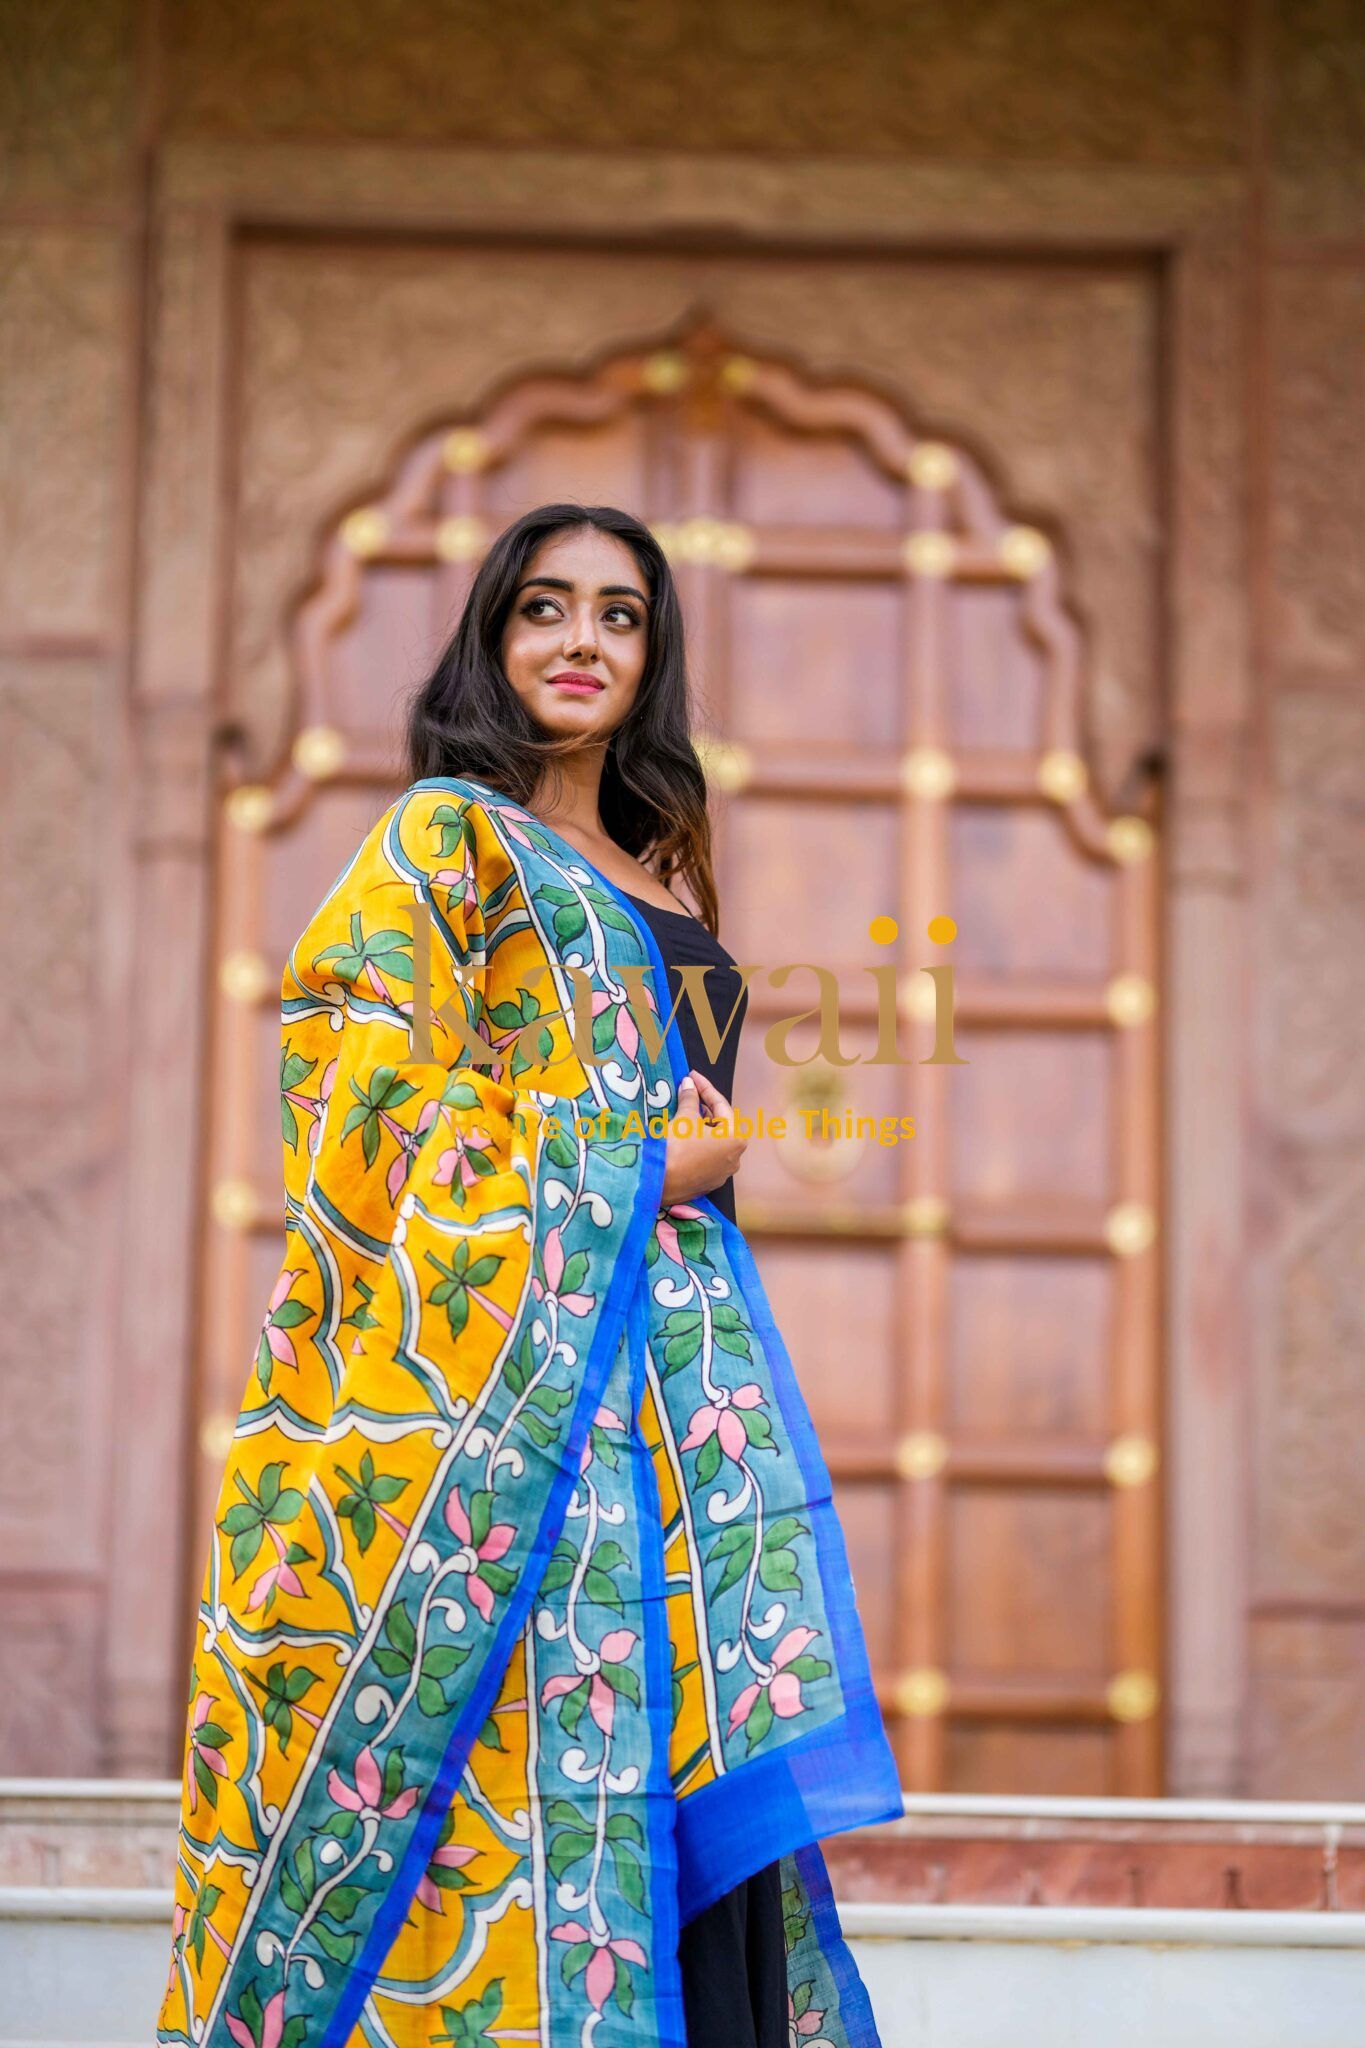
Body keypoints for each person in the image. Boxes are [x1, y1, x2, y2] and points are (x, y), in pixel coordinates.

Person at [158, 504, 900, 2048]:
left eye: (618, 616)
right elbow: (356, 1099)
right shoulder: (447, 836)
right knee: (529, 1792)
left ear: (652, 655)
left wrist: (690, 1169)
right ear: (493, 637)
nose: (580, 643)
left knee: (698, 1842)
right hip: (523, 1431)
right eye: (544, 609)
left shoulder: (664, 880)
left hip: (676, 1421)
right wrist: (637, 1162)